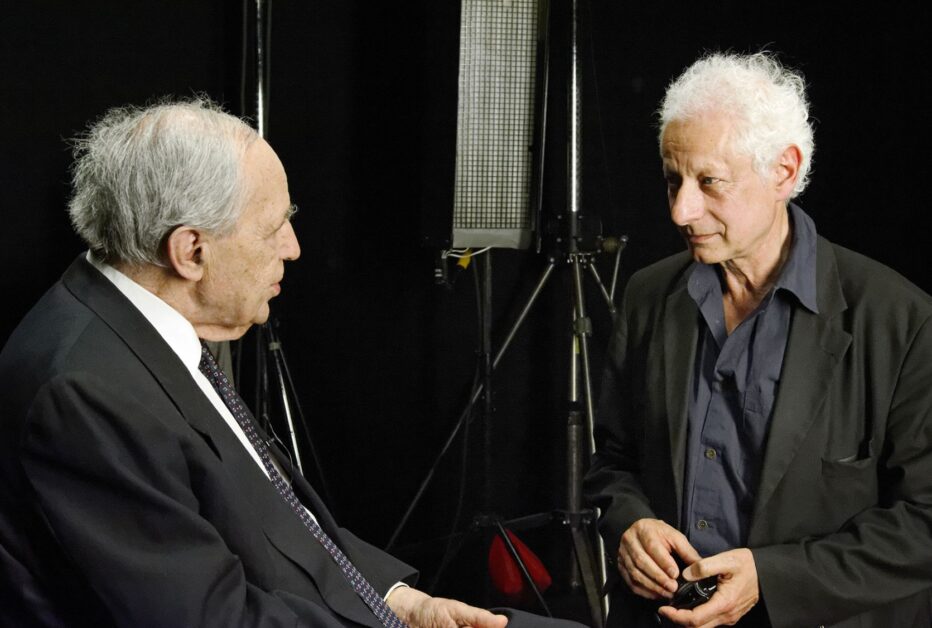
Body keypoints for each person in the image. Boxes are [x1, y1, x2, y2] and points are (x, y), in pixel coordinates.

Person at [0, 99, 583, 628]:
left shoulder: (139, 325)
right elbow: (212, 620)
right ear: (191, 251)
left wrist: (402, 601)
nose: (293, 247)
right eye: (274, 225)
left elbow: (273, 515)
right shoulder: (84, 393)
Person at [584, 52, 932, 628]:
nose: (680, 209)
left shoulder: (902, 322)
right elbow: (614, 462)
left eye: (709, 182)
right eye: (673, 180)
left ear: (784, 171)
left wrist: (771, 579)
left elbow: (924, 520)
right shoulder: (648, 295)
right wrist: (629, 523)